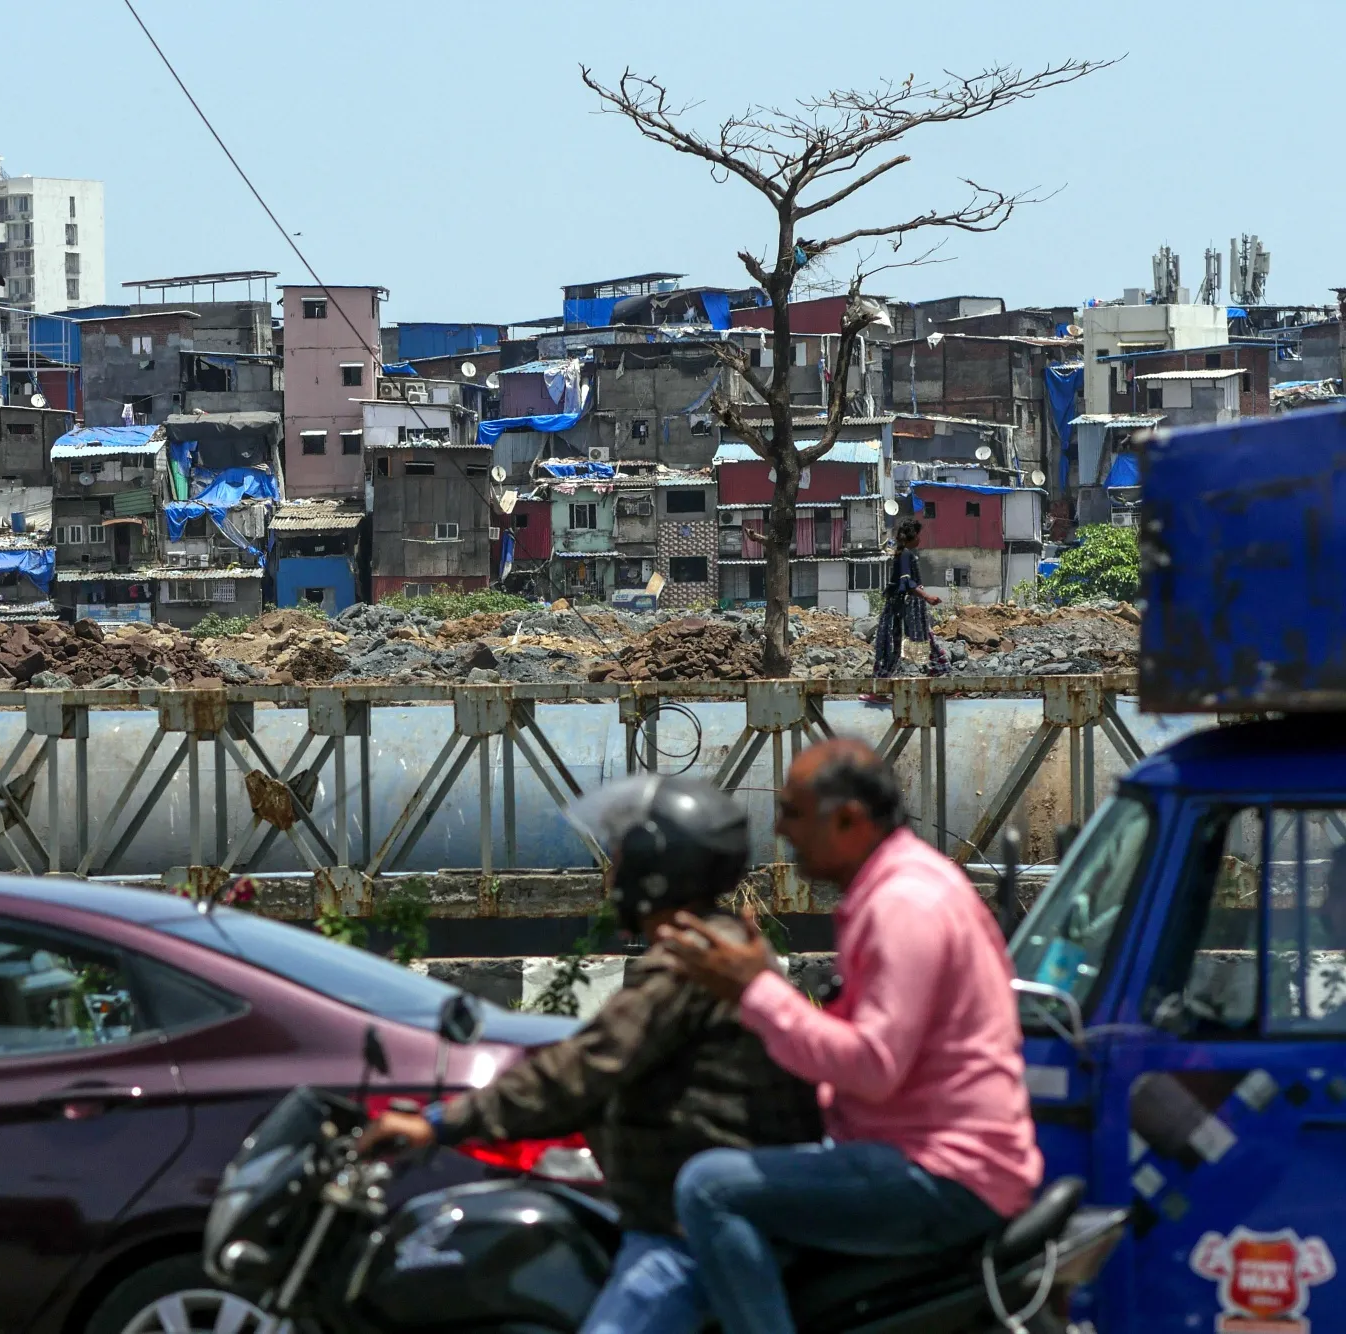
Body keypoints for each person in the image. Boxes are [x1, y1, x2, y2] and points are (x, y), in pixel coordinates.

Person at [360, 776, 821, 1334]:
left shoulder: (690, 962)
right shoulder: (715, 946)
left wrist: (439, 1124)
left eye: (623, 855)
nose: (611, 873)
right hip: (686, 1210)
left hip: (683, 1237)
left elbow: (585, 1067)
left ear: (655, 867)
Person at [651, 738, 1041, 1334]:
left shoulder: (903, 904)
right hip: (917, 1154)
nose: (780, 829)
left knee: (709, 1189)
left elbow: (873, 1064)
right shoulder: (901, 888)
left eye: (792, 813)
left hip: (939, 1172)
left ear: (849, 820)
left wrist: (756, 991)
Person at [872, 518, 949, 679]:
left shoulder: (901, 553)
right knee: (899, 642)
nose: (920, 539)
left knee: (899, 642)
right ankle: (941, 672)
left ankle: (941, 672)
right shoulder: (906, 555)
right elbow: (907, 582)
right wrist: (927, 597)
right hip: (904, 607)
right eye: (918, 536)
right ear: (913, 537)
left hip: (900, 606)